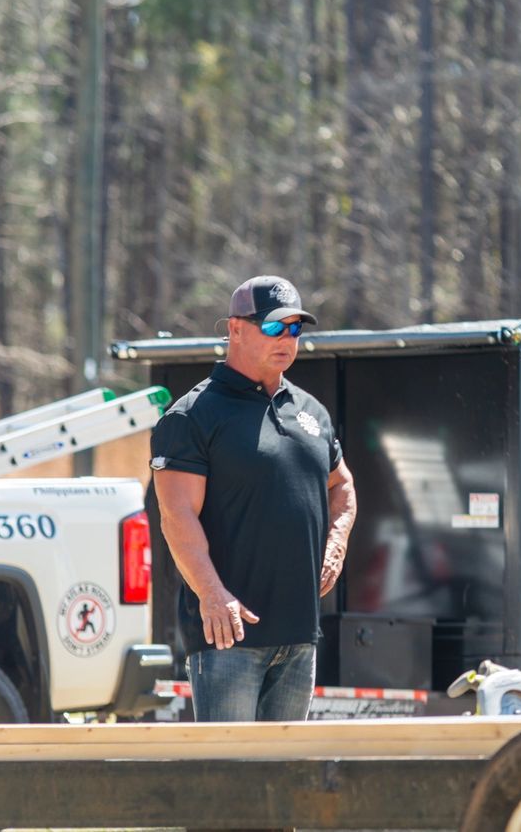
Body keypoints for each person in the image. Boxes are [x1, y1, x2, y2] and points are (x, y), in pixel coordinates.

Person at [150, 275, 357, 721]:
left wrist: (336, 543)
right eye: (273, 327)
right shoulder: (193, 416)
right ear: (235, 330)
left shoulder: (311, 412)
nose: (286, 339)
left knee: (285, 777)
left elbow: (343, 486)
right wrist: (212, 595)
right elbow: (176, 515)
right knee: (231, 776)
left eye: (295, 328)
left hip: (300, 635)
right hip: (228, 637)